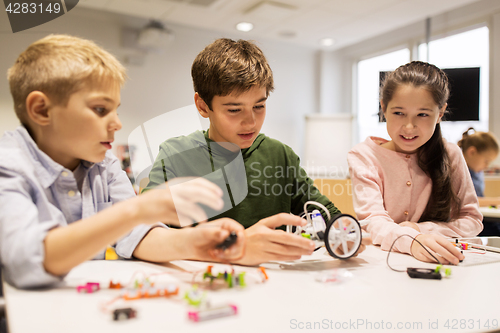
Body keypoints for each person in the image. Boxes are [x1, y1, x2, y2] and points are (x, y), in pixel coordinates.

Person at [0, 34, 245, 289]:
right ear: (41, 110)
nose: (117, 123)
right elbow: (26, 262)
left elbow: (137, 234)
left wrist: (196, 241)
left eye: (116, 110)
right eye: (100, 110)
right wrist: (136, 209)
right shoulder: (8, 165)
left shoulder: (103, 164)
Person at [143, 38, 369, 265]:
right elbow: (141, 236)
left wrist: (345, 233)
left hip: (273, 286)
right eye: (234, 110)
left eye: (259, 106)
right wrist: (233, 246)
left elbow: (327, 214)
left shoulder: (280, 156)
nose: (250, 122)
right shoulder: (175, 156)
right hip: (201, 285)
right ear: (203, 106)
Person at [348, 61, 482, 265]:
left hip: (446, 262)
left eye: (422, 114)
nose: (409, 126)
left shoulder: (451, 154)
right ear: (383, 107)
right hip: (385, 264)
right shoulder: (365, 155)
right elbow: (372, 221)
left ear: (440, 113)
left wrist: (420, 230)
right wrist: (412, 241)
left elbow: (471, 219)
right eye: (398, 113)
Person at [457, 127, 500, 207]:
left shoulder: (477, 173)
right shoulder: (457, 172)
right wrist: (497, 201)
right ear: (472, 152)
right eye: (486, 161)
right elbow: (466, 201)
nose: (486, 166)